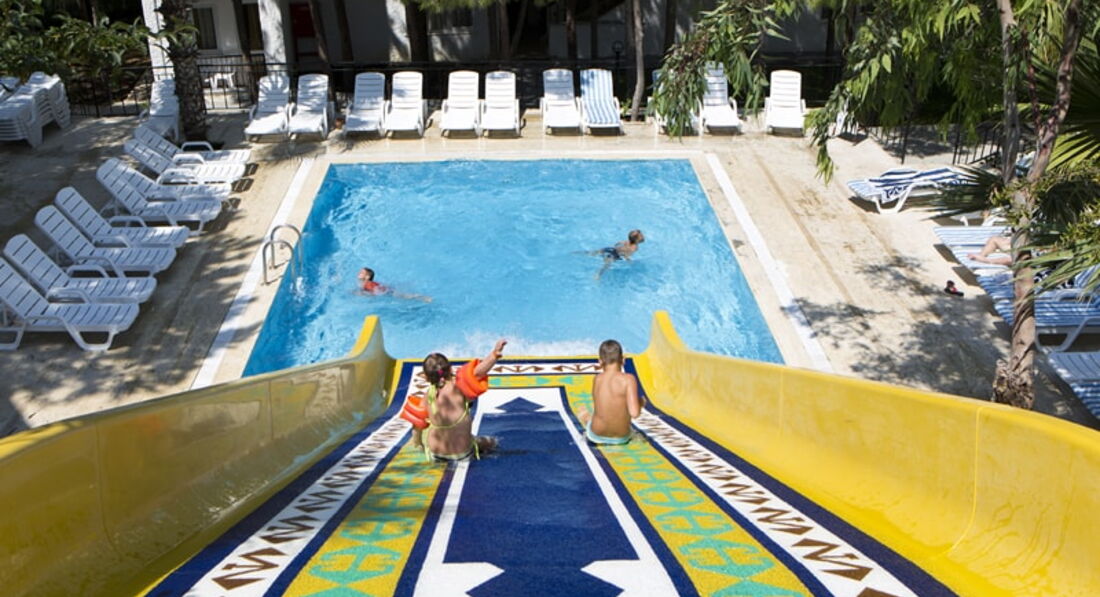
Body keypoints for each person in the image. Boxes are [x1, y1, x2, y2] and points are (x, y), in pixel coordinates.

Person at [413, 339, 507, 461]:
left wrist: (418, 444)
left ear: (426, 377)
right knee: (490, 442)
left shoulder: (426, 397)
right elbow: (478, 373)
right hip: (462, 453)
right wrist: (494, 355)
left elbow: (417, 424)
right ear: (451, 369)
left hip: (436, 453)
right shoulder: (458, 387)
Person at [576, 339, 644, 445]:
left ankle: (586, 417)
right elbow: (634, 413)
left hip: (596, 434)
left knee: (593, 416)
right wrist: (640, 403)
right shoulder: (628, 379)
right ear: (623, 360)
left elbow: (600, 407)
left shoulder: (597, 379)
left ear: (600, 362)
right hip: (621, 437)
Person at [358, 267, 432, 302]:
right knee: (405, 295)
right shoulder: (368, 283)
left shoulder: (367, 283)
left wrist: (364, 294)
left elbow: (374, 293)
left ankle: (424, 298)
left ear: (367, 277)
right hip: (387, 290)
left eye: (361, 273)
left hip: (387, 292)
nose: (359, 273)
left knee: (405, 296)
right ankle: (423, 297)